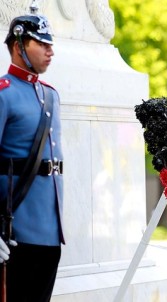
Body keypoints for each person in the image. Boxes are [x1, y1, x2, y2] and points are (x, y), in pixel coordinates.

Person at [0, 6, 64, 302]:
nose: (50, 50)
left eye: (51, 43)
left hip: (50, 231)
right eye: (41, 43)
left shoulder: (51, 95)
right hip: (15, 232)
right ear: (18, 46)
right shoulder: (4, 94)